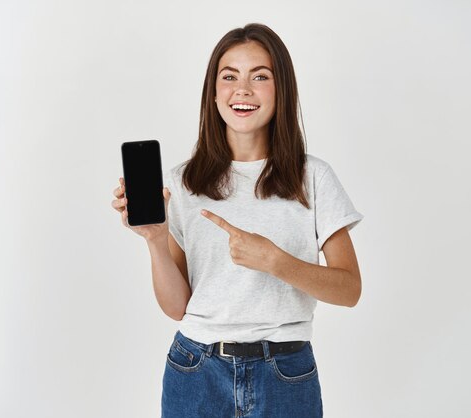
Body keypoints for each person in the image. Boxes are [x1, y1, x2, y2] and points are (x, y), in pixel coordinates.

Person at [111, 23, 363, 418]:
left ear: (282, 91)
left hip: (286, 374)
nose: (242, 90)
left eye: (260, 76)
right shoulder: (183, 182)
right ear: (213, 93)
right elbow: (177, 307)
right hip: (195, 371)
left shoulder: (312, 177)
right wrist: (155, 239)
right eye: (229, 77)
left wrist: (276, 262)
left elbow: (349, 289)